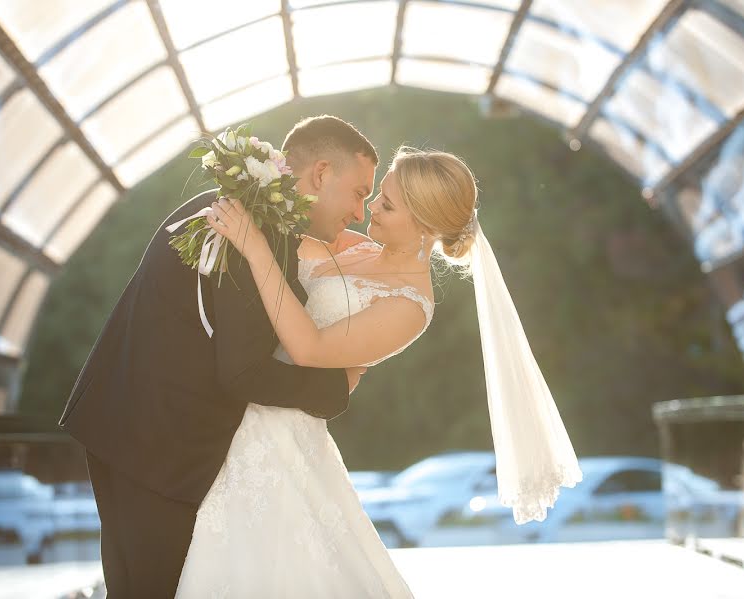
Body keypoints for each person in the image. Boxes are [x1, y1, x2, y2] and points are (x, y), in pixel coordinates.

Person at [177, 146, 582, 597]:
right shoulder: (352, 245)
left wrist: (254, 248)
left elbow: (308, 347)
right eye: (378, 195)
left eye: (386, 204)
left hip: (283, 436)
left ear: (426, 227)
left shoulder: (410, 307)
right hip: (232, 410)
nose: (370, 207)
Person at [58, 115, 378, 598]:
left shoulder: (230, 206)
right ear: (320, 174)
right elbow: (243, 371)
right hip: (154, 449)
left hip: (129, 430)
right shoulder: (255, 229)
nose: (360, 211)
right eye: (359, 192)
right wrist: (339, 384)